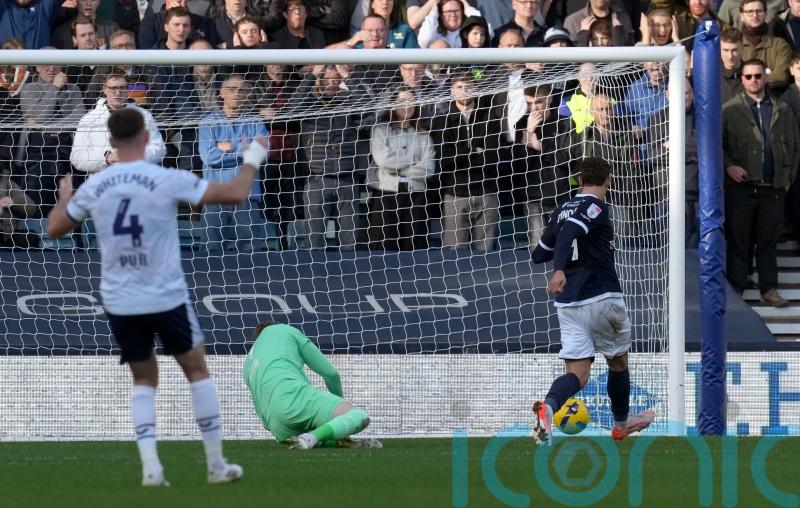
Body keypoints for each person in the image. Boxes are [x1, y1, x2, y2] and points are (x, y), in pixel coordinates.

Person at [46, 107, 270, 485]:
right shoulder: (166, 178)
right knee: (197, 371)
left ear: (111, 143)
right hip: (165, 296)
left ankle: (151, 468)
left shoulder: (96, 186)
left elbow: (54, 228)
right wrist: (251, 159)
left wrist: (65, 196)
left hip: (120, 299)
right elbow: (236, 193)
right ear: (147, 139)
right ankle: (215, 464)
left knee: (144, 380)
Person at [530, 156, 656, 445]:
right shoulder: (595, 205)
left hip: (569, 303)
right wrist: (560, 268)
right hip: (601, 295)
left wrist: (561, 258)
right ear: (608, 181)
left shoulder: (562, 209)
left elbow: (539, 253)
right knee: (618, 362)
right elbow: (571, 233)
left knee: (578, 375)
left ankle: (548, 408)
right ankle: (622, 424)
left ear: (579, 180)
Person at [722, 58, 800, 306]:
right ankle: (736, 288)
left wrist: (785, 182)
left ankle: (769, 289)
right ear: (742, 79)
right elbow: (717, 145)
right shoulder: (729, 110)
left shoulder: (783, 110)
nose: (754, 80)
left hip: (773, 190)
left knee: (768, 243)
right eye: (748, 76)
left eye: (758, 76)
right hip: (742, 190)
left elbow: (795, 148)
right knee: (738, 242)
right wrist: (728, 166)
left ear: (766, 78)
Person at [243, 320, 382, 449]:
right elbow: (330, 373)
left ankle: (324, 439)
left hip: (279, 429)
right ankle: (317, 437)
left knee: (314, 430)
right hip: (293, 397)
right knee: (359, 416)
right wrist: (339, 407)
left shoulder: (247, 365)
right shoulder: (284, 330)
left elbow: (262, 415)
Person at [199, 74, 269, 253]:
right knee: (211, 250)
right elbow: (208, 157)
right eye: (232, 89)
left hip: (246, 194)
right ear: (221, 93)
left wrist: (228, 148)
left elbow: (260, 153)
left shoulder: (255, 121)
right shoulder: (208, 122)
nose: (237, 93)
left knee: (250, 250)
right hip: (215, 194)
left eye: (242, 90)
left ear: (247, 95)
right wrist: (244, 148)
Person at [366, 86, 435, 250]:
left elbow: (428, 169)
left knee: (413, 247)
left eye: (411, 101)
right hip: (386, 195)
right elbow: (383, 161)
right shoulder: (380, 130)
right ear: (393, 105)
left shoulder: (424, 135)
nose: (407, 105)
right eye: (402, 100)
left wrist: (397, 167)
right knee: (383, 248)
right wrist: (412, 159)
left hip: (416, 197)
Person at [70, 73, 166, 186]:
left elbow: (159, 149)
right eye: (113, 88)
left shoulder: (144, 116)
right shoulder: (89, 119)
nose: (118, 92)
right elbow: (77, 157)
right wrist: (106, 157)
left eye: (122, 88)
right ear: (104, 89)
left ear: (128, 89)